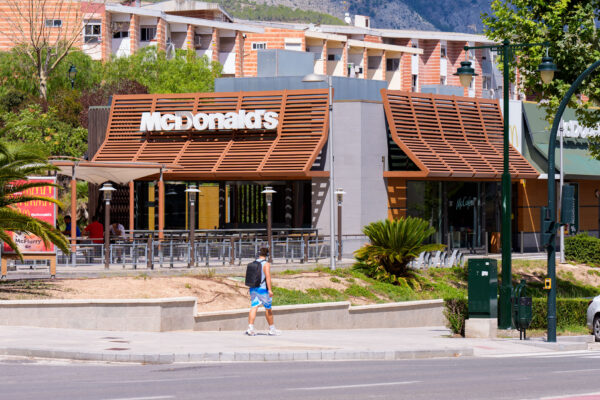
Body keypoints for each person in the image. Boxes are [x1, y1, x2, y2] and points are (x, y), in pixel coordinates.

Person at [246, 247, 281, 336]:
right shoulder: (266, 264)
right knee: (268, 308)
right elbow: (268, 277)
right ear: (267, 255)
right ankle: (272, 329)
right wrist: (269, 290)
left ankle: (250, 328)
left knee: (254, 306)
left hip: (253, 288)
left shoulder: (253, 263)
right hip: (262, 289)